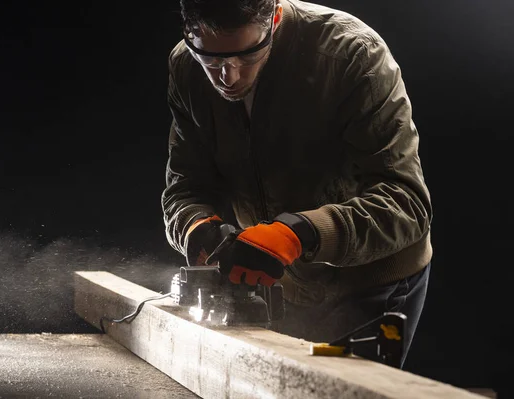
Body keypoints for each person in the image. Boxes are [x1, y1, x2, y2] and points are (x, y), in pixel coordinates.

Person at [161, 0, 433, 368]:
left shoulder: (354, 54)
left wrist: (299, 233)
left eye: (247, 55)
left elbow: (407, 204)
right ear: (188, 33)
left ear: (273, 17)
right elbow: (184, 187)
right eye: (211, 60)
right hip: (280, 281)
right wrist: (196, 229)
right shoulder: (185, 66)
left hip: (369, 283)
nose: (228, 77)